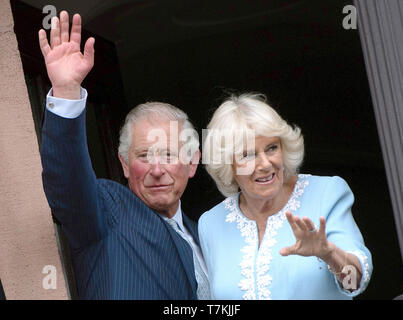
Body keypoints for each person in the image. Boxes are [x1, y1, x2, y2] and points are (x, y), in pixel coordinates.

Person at [38, 11, 209, 299]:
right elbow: (68, 181)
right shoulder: (106, 211)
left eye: (168, 154)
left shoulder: (210, 234)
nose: (157, 169)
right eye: (144, 155)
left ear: (192, 162)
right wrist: (66, 91)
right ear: (125, 164)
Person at [199, 93, 373, 299]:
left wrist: (330, 254)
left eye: (271, 148)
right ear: (228, 164)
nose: (264, 164)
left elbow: (355, 282)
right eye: (247, 155)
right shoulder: (211, 223)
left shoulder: (326, 194)